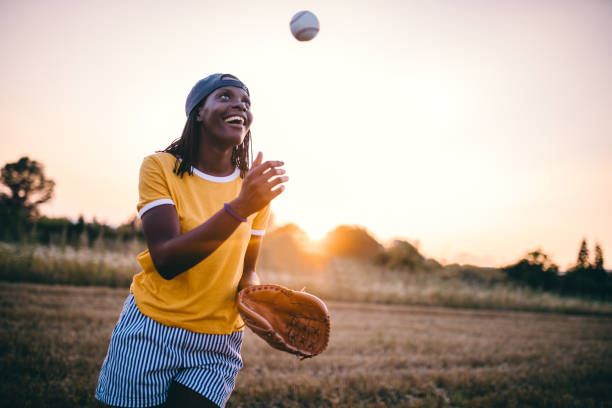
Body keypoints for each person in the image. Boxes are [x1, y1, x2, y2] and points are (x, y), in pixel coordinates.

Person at [95, 73, 288, 408]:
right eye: (225, 96)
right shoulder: (160, 168)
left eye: (246, 101)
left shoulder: (252, 187)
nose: (240, 104)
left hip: (219, 341)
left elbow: (248, 269)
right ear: (199, 112)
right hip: (152, 331)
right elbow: (167, 260)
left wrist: (258, 302)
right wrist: (241, 207)